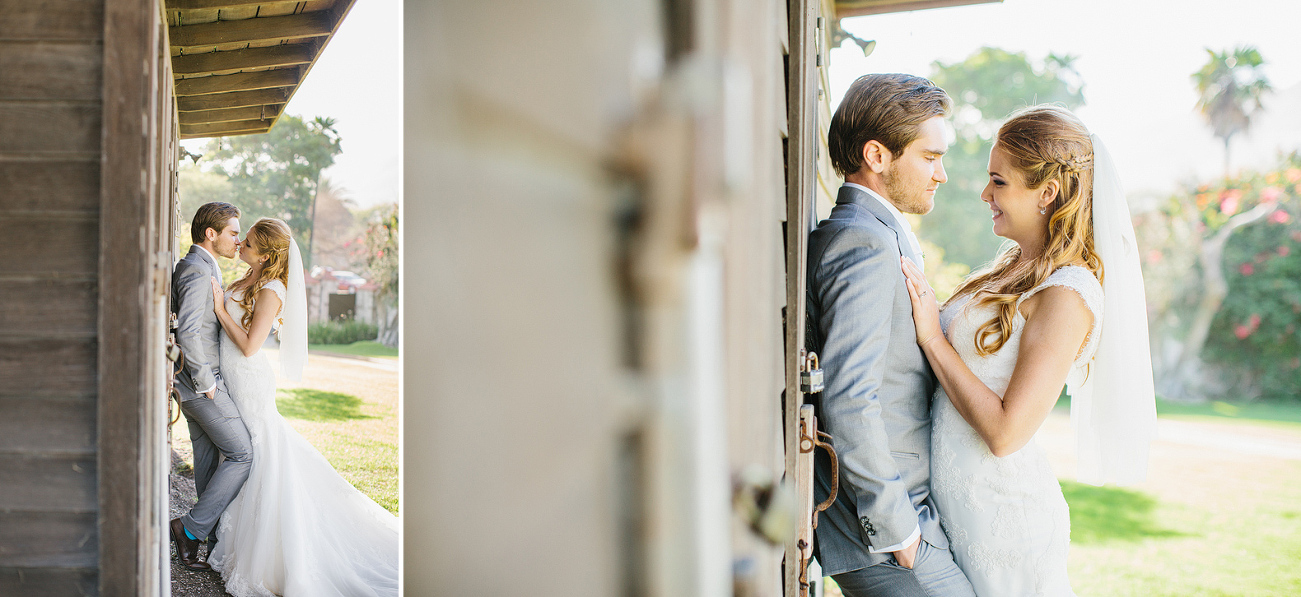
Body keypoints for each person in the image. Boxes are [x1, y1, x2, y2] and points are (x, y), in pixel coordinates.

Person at [900, 105, 1156, 596]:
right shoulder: (1012, 268)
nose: (984, 194)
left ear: (1048, 193)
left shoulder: (1069, 294)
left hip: (1005, 523)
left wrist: (932, 337)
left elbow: (1006, 433)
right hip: (957, 507)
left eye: (999, 182)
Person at [807, 73, 976, 597]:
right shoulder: (863, 242)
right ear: (877, 156)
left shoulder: (878, 234)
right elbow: (848, 394)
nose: (941, 173)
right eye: (929, 157)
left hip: (908, 517)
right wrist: (898, 530)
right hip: (882, 531)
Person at [204, 217, 399, 597]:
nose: (241, 243)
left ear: (265, 254)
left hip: (249, 380)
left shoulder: (273, 288)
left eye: (249, 241)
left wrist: (219, 309)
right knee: (248, 454)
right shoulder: (249, 276)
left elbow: (250, 346)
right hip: (232, 376)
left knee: (257, 454)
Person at [171, 202, 255, 571]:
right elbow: (187, 330)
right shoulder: (194, 269)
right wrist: (206, 384)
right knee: (241, 454)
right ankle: (189, 530)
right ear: (211, 233)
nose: (238, 240)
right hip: (201, 384)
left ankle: (208, 540)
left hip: (193, 386)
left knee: (207, 463)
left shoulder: (204, 265)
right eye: (234, 232)